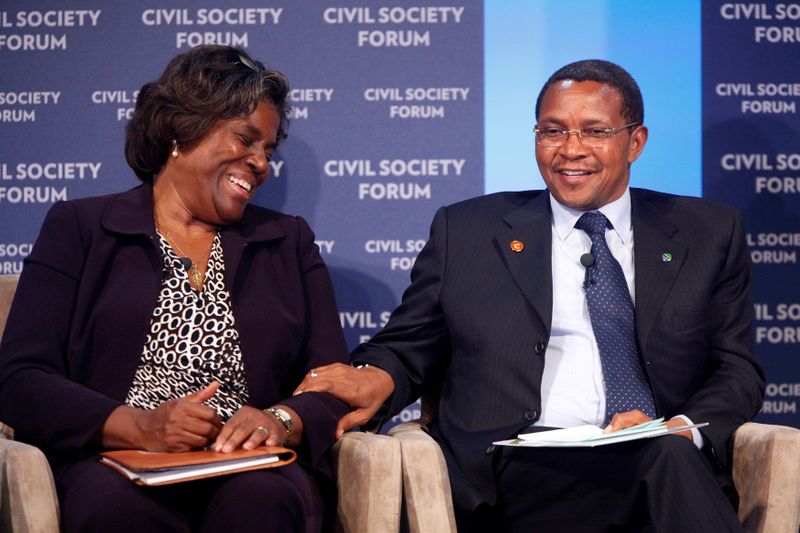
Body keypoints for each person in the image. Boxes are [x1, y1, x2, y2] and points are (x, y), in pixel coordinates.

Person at [296, 60, 765, 531]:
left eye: (594, 131)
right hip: (518, 470)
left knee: (660, 456)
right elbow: (411, 343)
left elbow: (736, 368)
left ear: (636, 142)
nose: (570, 151)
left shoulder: (707, 232)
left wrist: (679, 428)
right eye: (552, 132)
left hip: (662, 459)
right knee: (660, 466)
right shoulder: (469, 232)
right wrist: (375, 375)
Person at [0, 45, 349, 533]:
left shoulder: (287, 241)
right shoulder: (80, 228)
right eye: (246, 140)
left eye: (267, 150)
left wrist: (282, 420)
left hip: (254, 468)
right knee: (115, 510)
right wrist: (138, 426)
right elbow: (21, 379)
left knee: (259, 504)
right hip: (118, 462)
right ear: (180, 131)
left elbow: (333, 379)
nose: (261, 163)